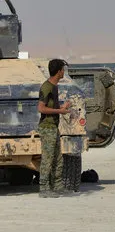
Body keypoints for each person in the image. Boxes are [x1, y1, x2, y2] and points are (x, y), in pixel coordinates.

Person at [38, 59, 72, 198]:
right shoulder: (47, 87)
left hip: (53, 126)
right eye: (63, 70)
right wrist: (60, 112)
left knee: (58, 158)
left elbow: (51, 107)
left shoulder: (54, 87)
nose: (64, 72)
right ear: (58, 71)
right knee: (48, 158)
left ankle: (57, 186)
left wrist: (62, 107)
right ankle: (44, 188)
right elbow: (41, 108)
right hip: (47, 127)